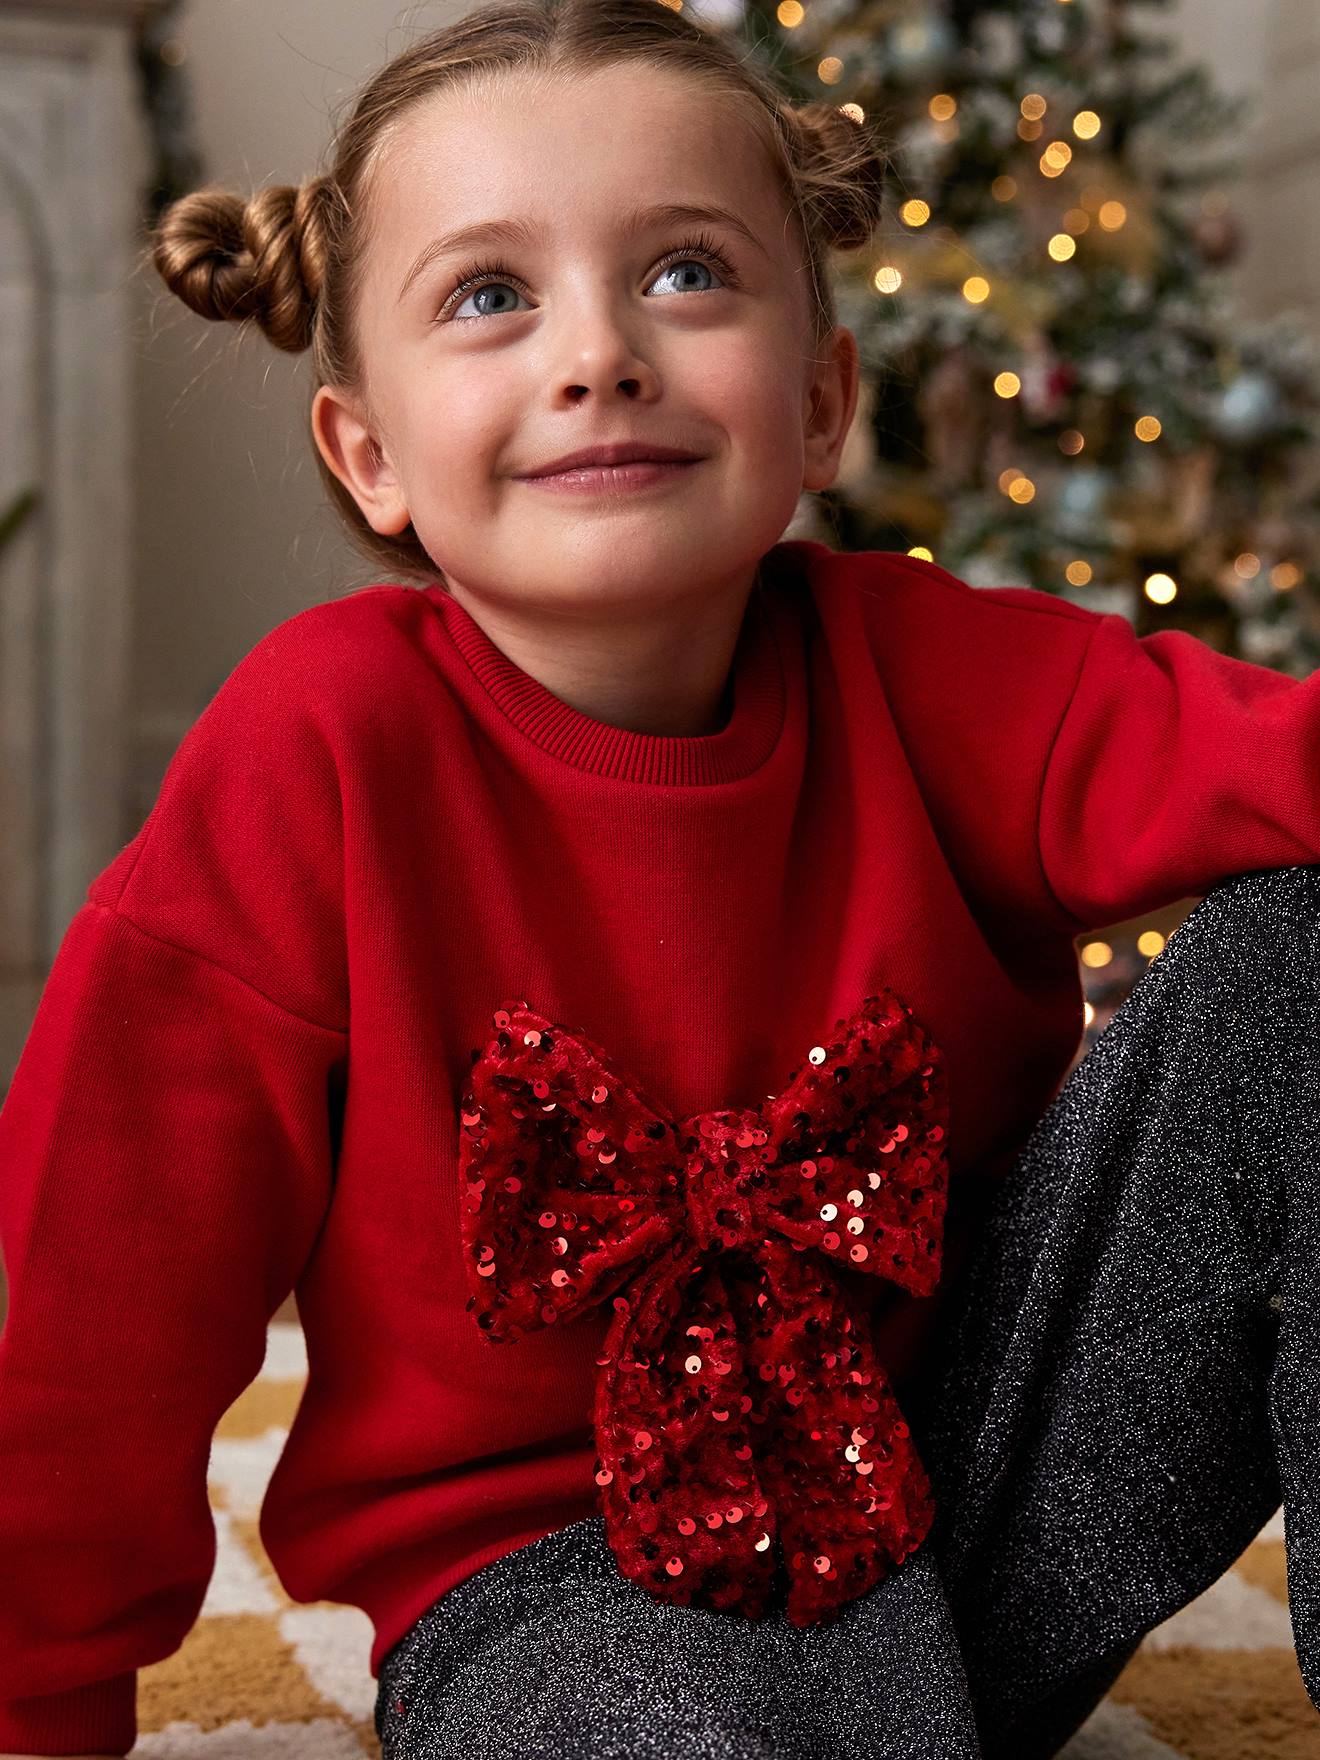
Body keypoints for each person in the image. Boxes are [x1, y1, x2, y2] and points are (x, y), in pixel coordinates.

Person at [0, 0, 1316, 1753]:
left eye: (686, 274)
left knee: (1296, 965)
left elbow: (1267, 768)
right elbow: (101, 1286)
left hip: (952, 1505)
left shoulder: (927, 671)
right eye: (490, 297)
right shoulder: (318, 750)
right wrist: (40, 1699)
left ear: (821, 396)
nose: (600, 353)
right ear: (368, 455)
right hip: (550, 1586)